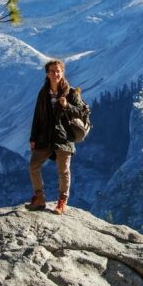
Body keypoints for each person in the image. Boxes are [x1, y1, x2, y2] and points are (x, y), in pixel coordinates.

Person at [26, 59, 88, 214]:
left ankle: (62, 202)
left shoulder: (72, 93)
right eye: (52, 71)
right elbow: (37, 116)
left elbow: (82, 111)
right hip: (45, 137)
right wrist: (33, 138)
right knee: (33, 167)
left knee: (63, 171)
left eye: (58, 71)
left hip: (63, 138)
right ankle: (39, 198)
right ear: (47, 74)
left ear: (63, 72)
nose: (55, 74)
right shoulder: (43, 93)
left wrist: (67, 106)